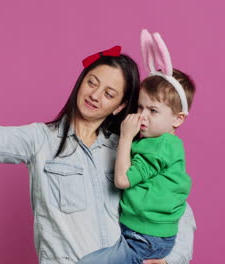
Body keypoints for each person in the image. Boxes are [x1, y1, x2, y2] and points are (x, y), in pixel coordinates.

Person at [0, 45, 196, 264]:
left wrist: (171, 259)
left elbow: (175, 207)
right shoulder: (41, 140)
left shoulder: (127, 148)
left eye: (109, 94)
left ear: (121, 106)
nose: (95, 95)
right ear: (81, 81)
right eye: (92, 82)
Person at [77, 30, 196, 264]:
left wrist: (125, 138)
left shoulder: (161, 147)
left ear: (178, 119)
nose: (142, 116)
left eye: (153, 111)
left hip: (144, 238)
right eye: (140, 107)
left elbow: (122, 180)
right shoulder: (157, 142)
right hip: (141, 232)